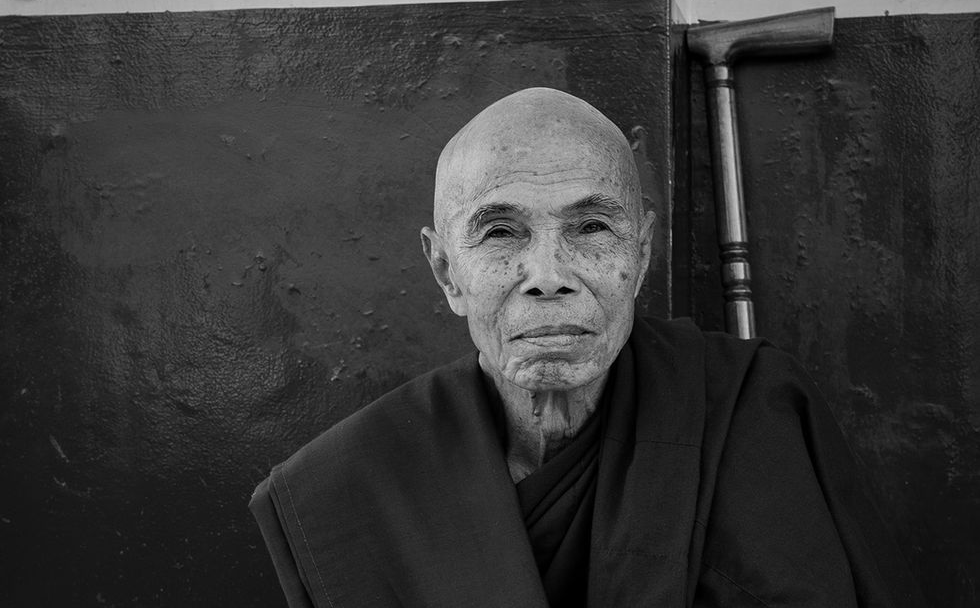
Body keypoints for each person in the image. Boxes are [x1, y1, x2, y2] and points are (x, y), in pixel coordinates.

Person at [249, 88, 923, 607]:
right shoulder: (353, 485)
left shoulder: (755, 409)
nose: (548, 274)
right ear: (446, 271)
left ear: (642, 251)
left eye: (592, 226)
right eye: (501, 232)